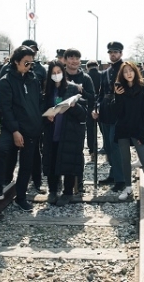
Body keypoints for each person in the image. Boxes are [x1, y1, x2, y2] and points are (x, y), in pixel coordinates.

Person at [0, 46, 44, 212]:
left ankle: (20, 197)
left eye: (31, 62)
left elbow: (38, 102)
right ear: (16, 61)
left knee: (26, 164)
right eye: (26, 62)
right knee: (0, 150)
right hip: (13, 126)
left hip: (31, 128)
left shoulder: (33, 79)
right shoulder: (6, 81)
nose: (29, 66)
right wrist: (15, 130)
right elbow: (5, 108)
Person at [112, 62, 144, 208]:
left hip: (138, 130)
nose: (128, 74)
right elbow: (117, 113)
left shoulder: (143, 89)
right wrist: (117, 96)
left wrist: (143, 133)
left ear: (136, 72)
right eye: (125, 72)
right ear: (121, 75)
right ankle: (128, 187)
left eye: (131, 71)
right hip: (123, 128)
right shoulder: (120, 90)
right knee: (125, 159)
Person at [41, 61, 87, 206]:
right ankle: (53, 190)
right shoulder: (47, 90)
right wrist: (46, 115)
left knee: (68, 162)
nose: (56, 76)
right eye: (53, 73)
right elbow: (41, 108)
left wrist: (74, 106)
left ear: (63, 72)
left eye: (58, 72)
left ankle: (67, 192)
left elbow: (83, 114)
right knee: (51, 160)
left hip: (69, 133)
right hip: (51, 132)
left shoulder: (72, 89)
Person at [92, 42, 126, 191]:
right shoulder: (105, 71)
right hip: (105, 111)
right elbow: (100, 93)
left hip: (119, 112)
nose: (113, 54)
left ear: (121, 53)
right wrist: (97, 107)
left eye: (116, 52)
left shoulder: (126, 69)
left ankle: (121, 179)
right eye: (111, 52)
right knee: (108, 146)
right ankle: (114, 174)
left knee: (116, 146)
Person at [64, 48, 95, 193]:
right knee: (60, 151)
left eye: (77, 58)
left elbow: (92, 98)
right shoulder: (59, 74)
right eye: (71, 58)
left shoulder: (86, 78)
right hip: (60, 119)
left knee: (78, 152)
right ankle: (61, 185)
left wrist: (80, 91)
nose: (74, 61)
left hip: (78, 120)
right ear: (65, 60)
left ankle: (79, 183)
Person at [86, 59, 101, 162]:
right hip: (102, 106)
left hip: (89, 106)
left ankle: (92, 152)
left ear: (87, 67)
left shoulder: (86, 77)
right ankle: (108, 152)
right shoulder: (102, 75)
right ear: (97, 66)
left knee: (90, 130)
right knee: (104, 130)